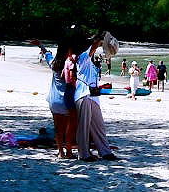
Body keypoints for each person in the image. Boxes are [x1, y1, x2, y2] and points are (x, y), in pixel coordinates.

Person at [75, 33, 117, 162]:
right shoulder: (82, 57)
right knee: (84, 126)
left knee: (99, 126)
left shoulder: (91, 63)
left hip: (93, 96)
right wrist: (99, 40)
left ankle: (105, 151)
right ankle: (83, 153)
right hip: (83, 94)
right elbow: (91, 49)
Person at [47, 42, 80, 159]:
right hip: (67, 100)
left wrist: (40, 45)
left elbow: (47, 54)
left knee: (58, 128)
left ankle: (60, 152)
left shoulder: (54, 64)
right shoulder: (71, 65)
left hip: (54, 100)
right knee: (70, 128)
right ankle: (69, 151)